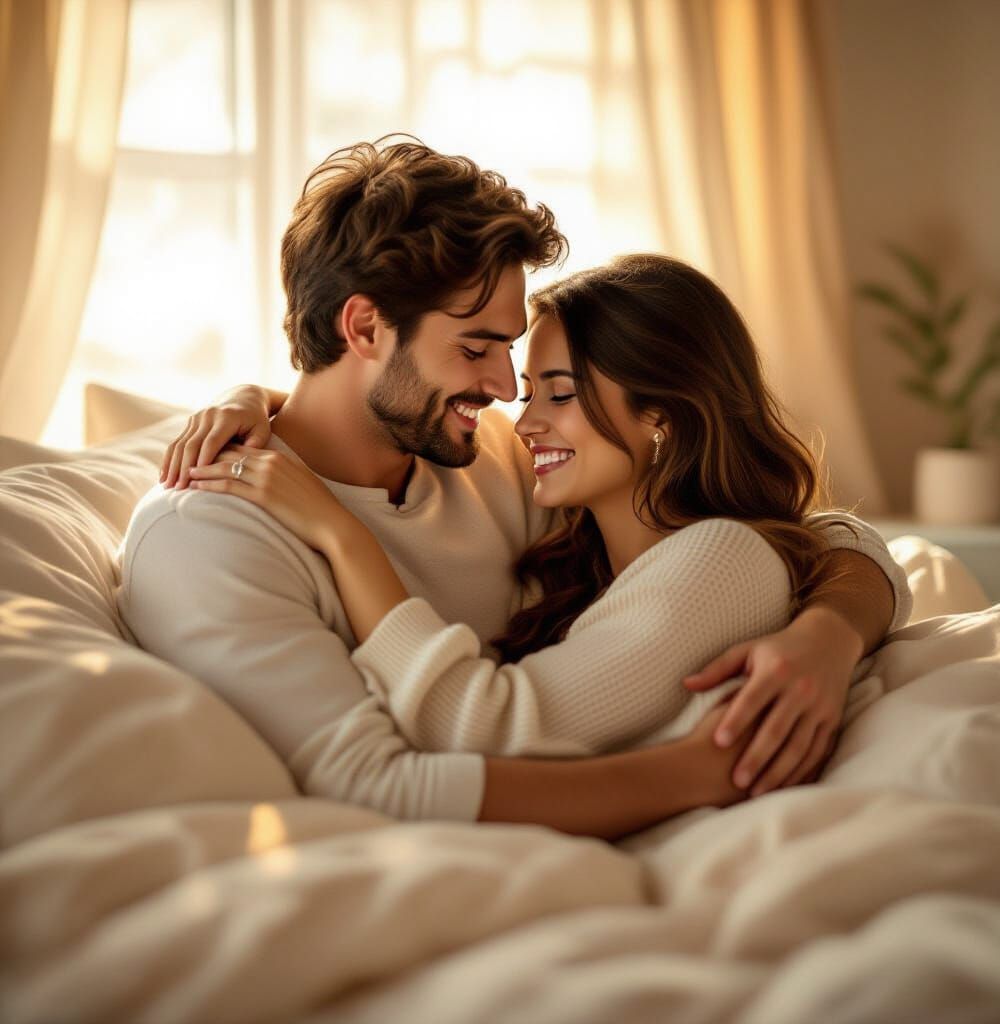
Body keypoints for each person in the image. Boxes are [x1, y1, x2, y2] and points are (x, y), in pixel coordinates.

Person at [120, 139, 909, 841]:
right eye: (477, 348)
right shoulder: (209, 536)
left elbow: (804, 537)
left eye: (518, 359)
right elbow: (374, 786)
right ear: (361, 330)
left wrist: (828, 637)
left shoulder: (492, 457)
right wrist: (695, 772)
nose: (504, 389)